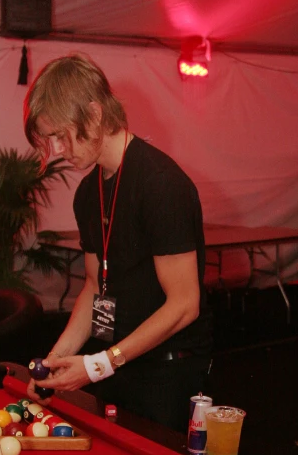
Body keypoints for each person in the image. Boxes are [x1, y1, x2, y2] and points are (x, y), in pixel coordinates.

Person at [23, 54, 212, 432]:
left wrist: (98, 364)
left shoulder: (160, 183)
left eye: (61, 134)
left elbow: (185, 304)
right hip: (116, 363)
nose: (58, 149)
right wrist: (54, 362)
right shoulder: (86, 193)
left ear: (93, 115)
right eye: (51, 139)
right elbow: (95, 287)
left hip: (166, 372)